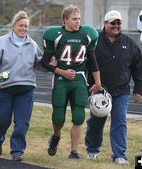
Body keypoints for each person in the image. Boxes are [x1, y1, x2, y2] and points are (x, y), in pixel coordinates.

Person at [42, 4, 101, 159]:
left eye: (79, 19)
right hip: (61, 79)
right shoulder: (55, 35)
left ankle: (74, 150)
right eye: (74, 19)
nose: (78, 22)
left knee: (79, 116)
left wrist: (98, 82)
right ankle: (56, 136)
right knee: (58, 117)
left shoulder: (87, 34)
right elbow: (44, 62)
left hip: (79, 79)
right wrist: (62, 71)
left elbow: (93, 61)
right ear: (65, 20)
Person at [85, 10, 142, 165]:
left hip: (121, 91)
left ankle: (119, 154)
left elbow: (138, 68)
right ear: (105, 24)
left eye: (119, 23)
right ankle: (92, 149)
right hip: (99, 91)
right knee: (96, 122)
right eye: (113, 23)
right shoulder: (95, 42)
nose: (116, 26)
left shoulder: (129, 43)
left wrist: (138, 90)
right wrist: (87, 88)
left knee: (119, 121)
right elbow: (86, 65)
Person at [0, 11, 43, 161]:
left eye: (26, 26)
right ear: (14, 26)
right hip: (3, 89)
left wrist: (51, 63)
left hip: (25, 88)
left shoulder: (32, 44)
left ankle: (17, 151)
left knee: (22, 122)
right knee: (2, 120)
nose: (24, 28)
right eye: (21, 25)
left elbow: (40, 64)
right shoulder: (1, 42)